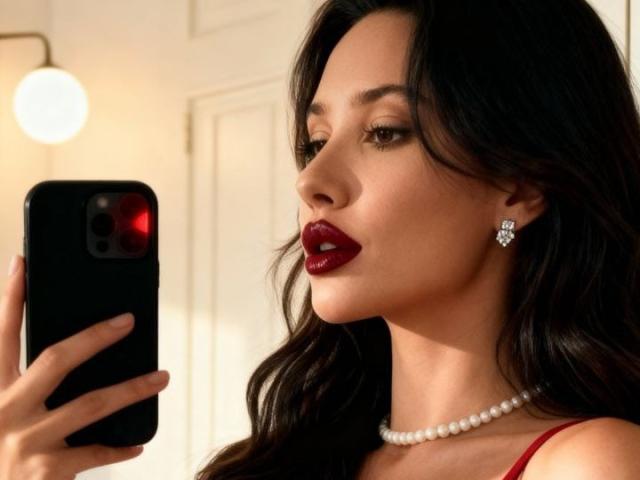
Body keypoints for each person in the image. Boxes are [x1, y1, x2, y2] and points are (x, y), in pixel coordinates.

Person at [1, 0, 639, 479]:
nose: (311, 181)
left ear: (520, 188)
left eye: (384, 131)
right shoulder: (273, 463)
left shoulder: (591, 462)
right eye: (315, 141)